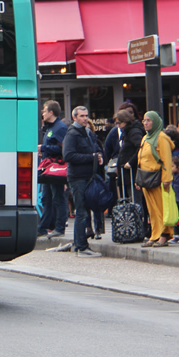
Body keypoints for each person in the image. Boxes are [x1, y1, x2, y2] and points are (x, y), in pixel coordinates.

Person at [126, 110, 174, 248]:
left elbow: (166, 159)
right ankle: (155, 234)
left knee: (161, 209)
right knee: (152, 210)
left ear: (155, 122)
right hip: (147, 179)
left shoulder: (161, 138)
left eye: (149, 120)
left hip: (158, 180)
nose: (145, 123)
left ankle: (164, 235)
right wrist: (138, 180)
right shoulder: (146, 138)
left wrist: (166, 179)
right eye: (144, 120)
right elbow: (141, 160)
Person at [61, 105, 103, 257]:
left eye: (86, 115)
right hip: (77, 177)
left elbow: (96, 148)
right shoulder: (72, 134)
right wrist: (91, 157)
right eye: (81, 116)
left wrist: (98, 156)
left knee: (87, 210)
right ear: (74, 117)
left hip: (88, 176)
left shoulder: (87, 132)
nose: (85, 118)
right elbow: (68, 156)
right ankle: (81, 246)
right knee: (81, 212)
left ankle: (81, 244)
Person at [37, 100, 69, 239]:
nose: (42, 113)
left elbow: (62, 148)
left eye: (44, 111)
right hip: (48, 167)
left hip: (55, 168)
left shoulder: (60, 128)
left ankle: (59, 227)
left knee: (57, 197)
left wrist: (44, 148)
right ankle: (43, 227)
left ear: (51, 112)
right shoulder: (50, 127)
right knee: (46, 198)